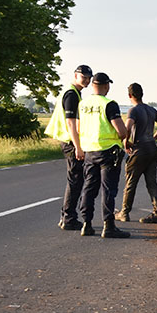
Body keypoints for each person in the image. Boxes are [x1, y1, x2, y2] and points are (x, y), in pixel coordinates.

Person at [77, 72, 130, 238]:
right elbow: (121, 131)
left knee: (88, 188)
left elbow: (78, 129)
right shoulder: (110, 104)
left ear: (93, 85)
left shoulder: (83, 104)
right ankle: (108, 225)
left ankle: (86, 224)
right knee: (108, 190)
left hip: (89, 151)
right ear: (107, 86)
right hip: (108, 152)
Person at [45, 64, 93, 230]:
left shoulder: (73, 92)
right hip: (70, 141)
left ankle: (66, 215)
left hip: (69, 140)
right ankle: (69, 218)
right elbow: (71, 123)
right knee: (75, 180)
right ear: (75, 75)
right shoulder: (72, 94)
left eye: (88, 78)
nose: (86, 80)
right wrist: (78, 147)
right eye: (83, 77)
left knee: (75, 180)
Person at [116, 83, 157, 224]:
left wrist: (126, 141)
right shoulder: (151, 109)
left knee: (130, 183)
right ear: (142, 94)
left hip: (139, 150)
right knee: (152, 183)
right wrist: (154, 138)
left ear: (129, 95)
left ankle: (124, 212)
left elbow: (127, 127)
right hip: (152, 148)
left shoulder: (133, 110)